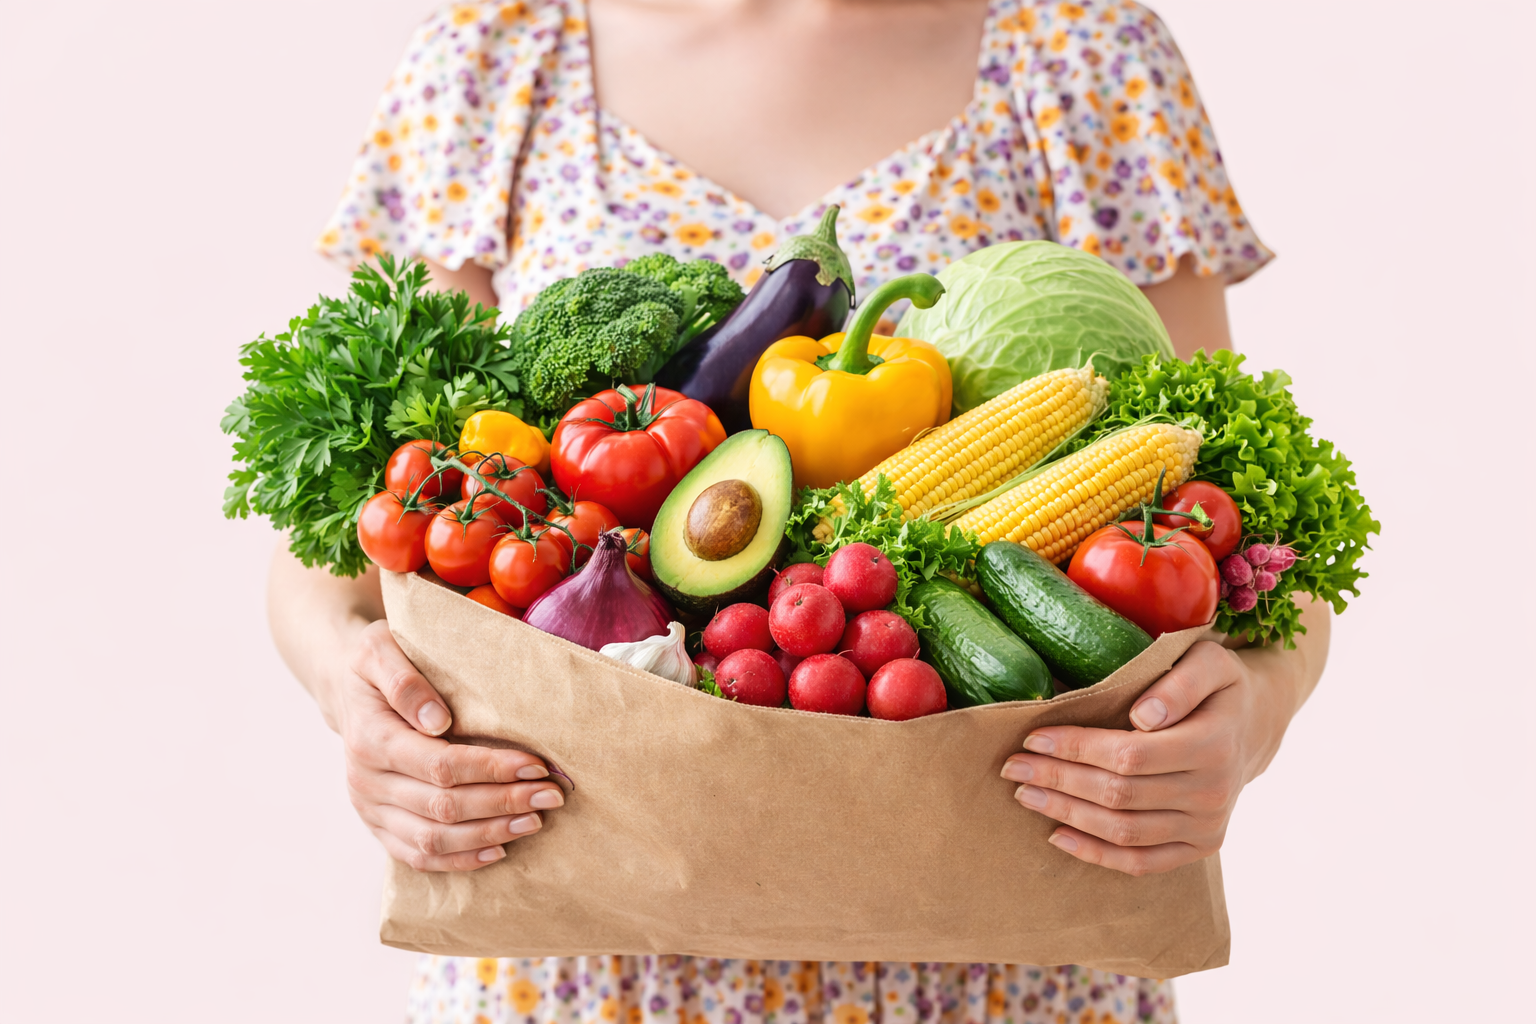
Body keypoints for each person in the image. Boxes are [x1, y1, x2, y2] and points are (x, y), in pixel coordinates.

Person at [275, 1, 1330, 1020]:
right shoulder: (492, 60)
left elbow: (1246, 530)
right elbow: (342, 549)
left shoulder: (1091, 58)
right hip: (582, 974)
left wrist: (1250, 718)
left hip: (1009, 969)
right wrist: (355, 694)